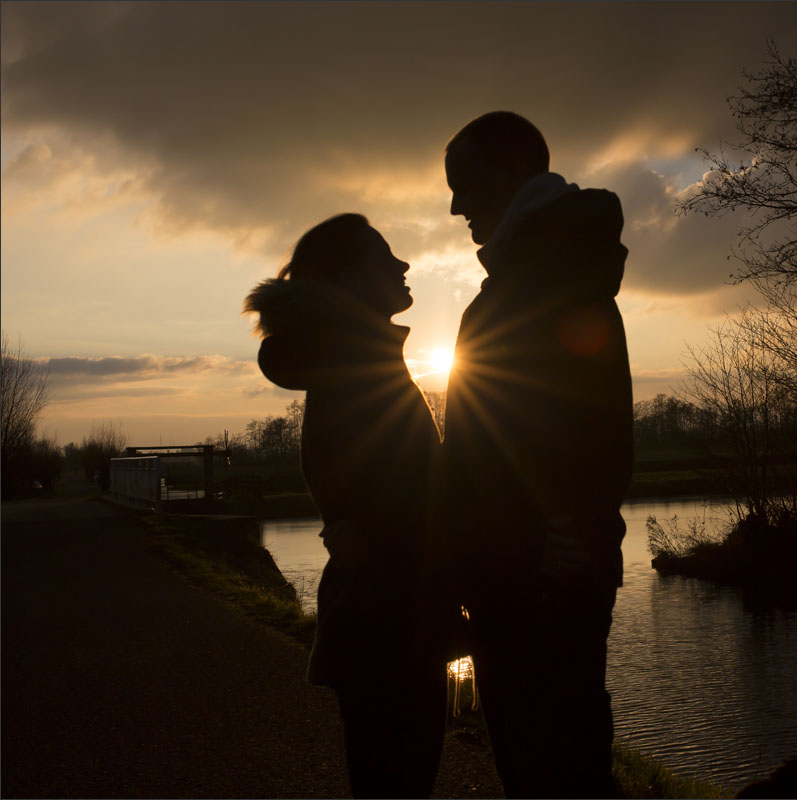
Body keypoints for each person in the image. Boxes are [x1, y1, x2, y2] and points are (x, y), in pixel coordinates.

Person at [439, 111, 634, 798]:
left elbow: (586, 441)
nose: (456, 204)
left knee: (549, 769)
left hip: (533, 588)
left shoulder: (543, 289)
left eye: (462, 183)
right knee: (555, 764)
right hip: (521, 579)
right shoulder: (537, 284)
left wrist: (534, 544)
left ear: (508, 171)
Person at [244, 213, 445, 798]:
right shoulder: (359, 373)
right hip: (390, 627)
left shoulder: (358, 364)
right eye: (384, 255)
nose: (402, 265)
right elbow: (396, 509)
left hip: (383, 622)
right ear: (349, 279)